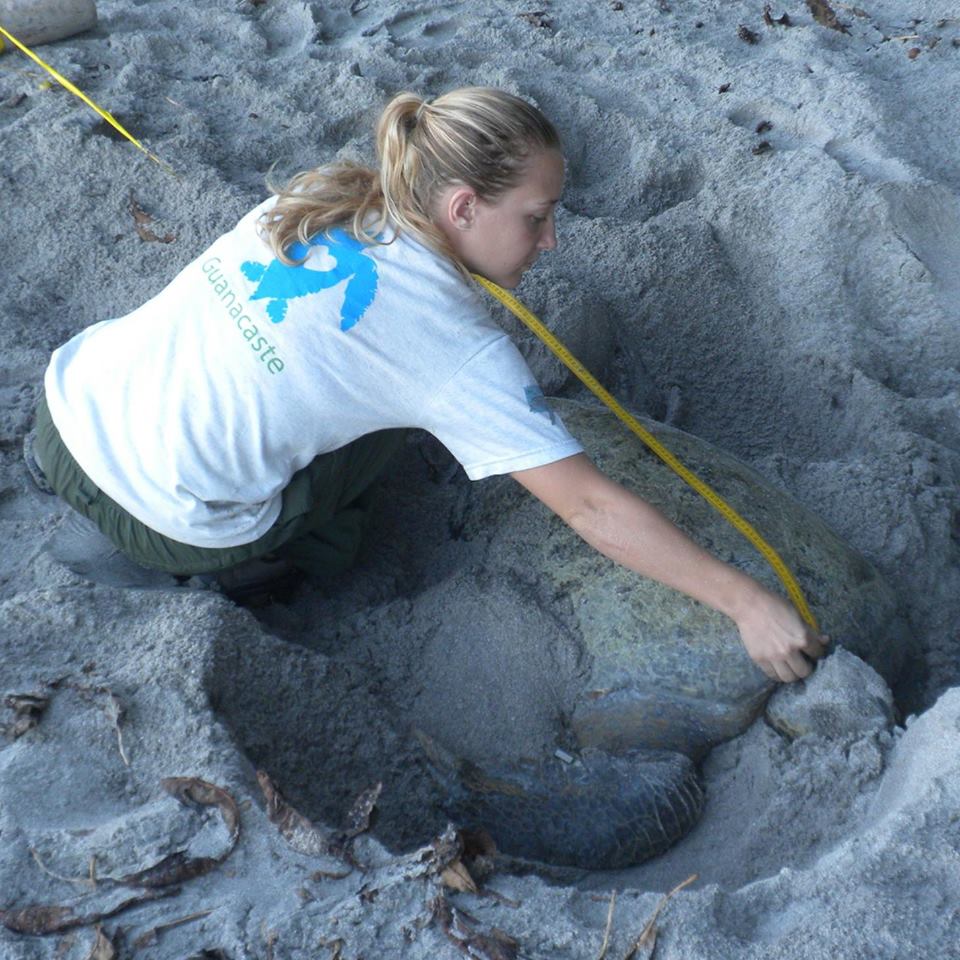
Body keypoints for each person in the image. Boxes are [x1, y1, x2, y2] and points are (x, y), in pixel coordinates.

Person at [30, 87, 826, 683]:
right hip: (164, 519)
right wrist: (747, 605)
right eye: (537, 217)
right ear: (463, 204)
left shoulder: (320, 196)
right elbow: (589, 505)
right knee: (384, 449)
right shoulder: (456, 355)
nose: (551, 241)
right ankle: (228, 570)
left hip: (64, 410)